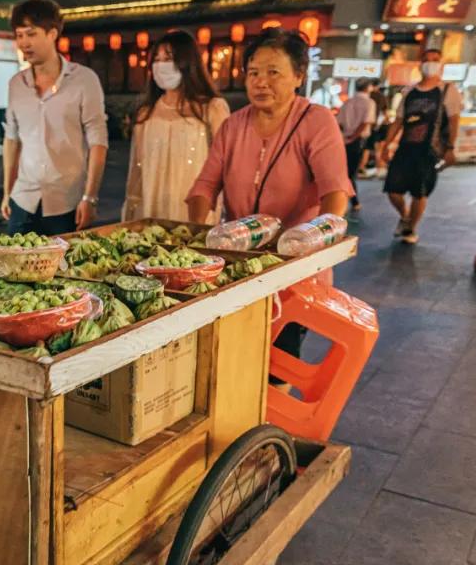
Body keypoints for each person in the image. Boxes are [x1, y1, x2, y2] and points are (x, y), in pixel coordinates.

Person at [186, 28, 351, 377]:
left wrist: (319, 237)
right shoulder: (233, 125)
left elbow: (334, 191)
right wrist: (198, 235)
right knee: (232, 359)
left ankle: (271, 427)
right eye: (253, 72)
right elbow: (205, 186)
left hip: (293, 269)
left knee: (279, 363)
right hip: (239, 262)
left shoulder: (316, 122)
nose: (261, 82)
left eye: (273, 72)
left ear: (298, 76)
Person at [2, 0, 108, 234]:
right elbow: (12, 140)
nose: (24, 43)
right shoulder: (16, 85)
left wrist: (90, 197)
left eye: (31, 34)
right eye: (19, 35)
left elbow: (98, 142)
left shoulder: (84, 80)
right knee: (11, 269)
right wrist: (7, 192)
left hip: (67, 203)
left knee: (63, 270)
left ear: (52, 34)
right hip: (23, 200)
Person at [122, 29, 229, 222]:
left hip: (195, 214)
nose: (161, 65)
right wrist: (130, 211)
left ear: (187, 62)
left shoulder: (212, 108)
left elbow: (224, 168)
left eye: (168, 58)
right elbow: (136, 171)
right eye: (157, 59)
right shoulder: (146, 112)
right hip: (150, 212)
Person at [379, 49, 461, 245]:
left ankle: (411, 227)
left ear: (441, 65)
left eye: (435, 60)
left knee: (420, 191)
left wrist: (450, 147)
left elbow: (453, 121)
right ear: (420, 64)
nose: (430, 63)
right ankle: (405, 216)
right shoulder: (410, 93)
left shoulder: (448, 91)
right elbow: (399, 121)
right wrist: (386, 144)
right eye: (427, 59)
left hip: (429, 151)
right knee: (393, 190)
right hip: (406, 148)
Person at [336, 77, 377, 216]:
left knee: (345, 171)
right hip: (358, 141)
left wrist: (345, 136)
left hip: (345, 140)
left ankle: (350, 200)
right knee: (350, 174)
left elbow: (339, 122)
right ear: (367, 87)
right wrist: (354, 137)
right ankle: (353, 201)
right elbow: (365, 123)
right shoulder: (369, 103)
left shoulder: (348, 102)